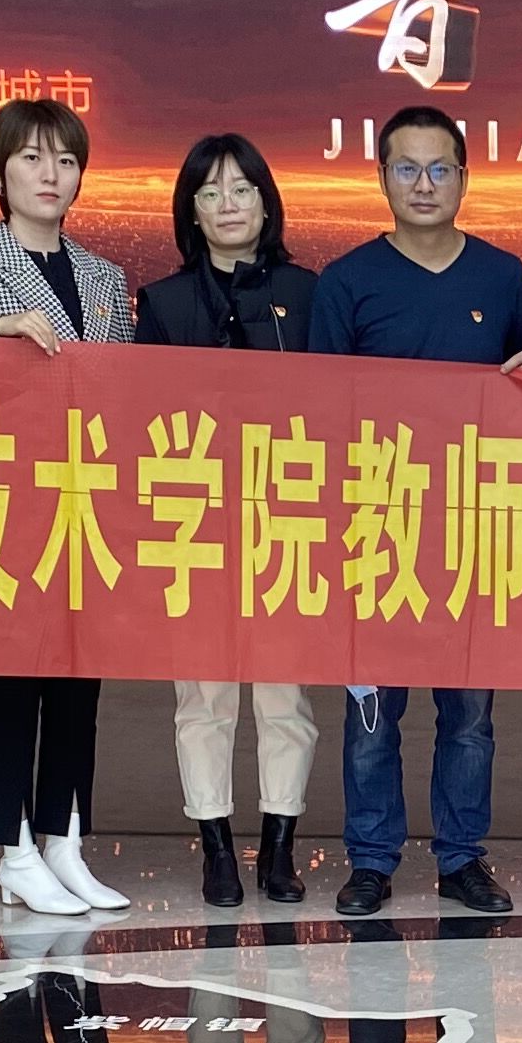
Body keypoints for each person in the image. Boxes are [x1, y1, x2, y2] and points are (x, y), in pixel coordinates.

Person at [305, 102, 522, 920]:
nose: (424, 184)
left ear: (464, 179)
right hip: (376, 527)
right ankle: (371, 860)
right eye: (406, 168)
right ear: (381, 178)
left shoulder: (502, 276)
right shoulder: (346, 282)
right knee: (373, 713)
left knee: (469, 716)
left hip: (475, 526)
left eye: (440, 168)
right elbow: (319, 414)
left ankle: (462, 857)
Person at [0, 97, 140, 918]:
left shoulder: (104, 277)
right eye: (31, 158)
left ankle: (64, 839)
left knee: (80, 681)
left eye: (66, 160)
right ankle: (13, 849)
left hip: (84, 502)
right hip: (4, 503)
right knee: (15, 680)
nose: (51, 174)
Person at [139, 131, 317, 909]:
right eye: (209, 192)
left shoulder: (308, 294)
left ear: (266, 203)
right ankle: (215, 846)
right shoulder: (164, 302)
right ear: (191, 211)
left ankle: (279, 845)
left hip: (287, 519)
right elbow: (141, 423)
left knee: (284, 698)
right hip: (195, 524)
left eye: (242, 189)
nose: (228, 204)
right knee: (204, 699)